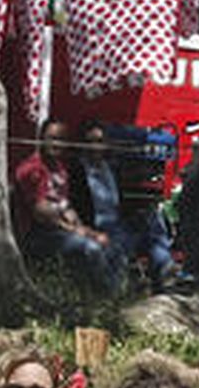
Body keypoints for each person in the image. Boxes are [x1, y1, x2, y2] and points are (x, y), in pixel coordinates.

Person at [70, 119, 176, 291]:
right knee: (124, 239)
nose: (95, 147)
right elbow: (74, 207)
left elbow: (120, 201)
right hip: (99, 226)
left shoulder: (109, 167)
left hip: (117, 223)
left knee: (152, 219)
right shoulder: (78, 171)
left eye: (99, 142)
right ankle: (160, 275)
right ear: (83, 144)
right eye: (90, 142)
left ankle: (165, 271)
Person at [13, 118, 117, 290]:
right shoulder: (32, 169)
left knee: (110, 244)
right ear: (41, 138)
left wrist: (88, 231)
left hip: (58, 232)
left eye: (61, 139)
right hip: (35, 234)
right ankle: (106, 300)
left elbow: (66, 208)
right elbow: (41, 214)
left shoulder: (59, 168)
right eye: (52, 138)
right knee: (91, 248)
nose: (56, 144)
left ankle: (105, 296)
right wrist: (79, 232)